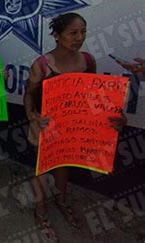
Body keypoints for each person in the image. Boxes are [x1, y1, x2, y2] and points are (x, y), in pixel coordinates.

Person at [24, 13, 126, 240]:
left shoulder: (88, 61)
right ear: (56, 36)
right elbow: (29, 94)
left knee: (64, 166)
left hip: (72, 130)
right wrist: (32, 116)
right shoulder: (42, 65)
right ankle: (40, 211)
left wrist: (118, 117)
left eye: (83, 32)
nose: (79, 37)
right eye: (73, 33)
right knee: (41, 170)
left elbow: (95, 97)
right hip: (44, 128)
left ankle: (61, 201)